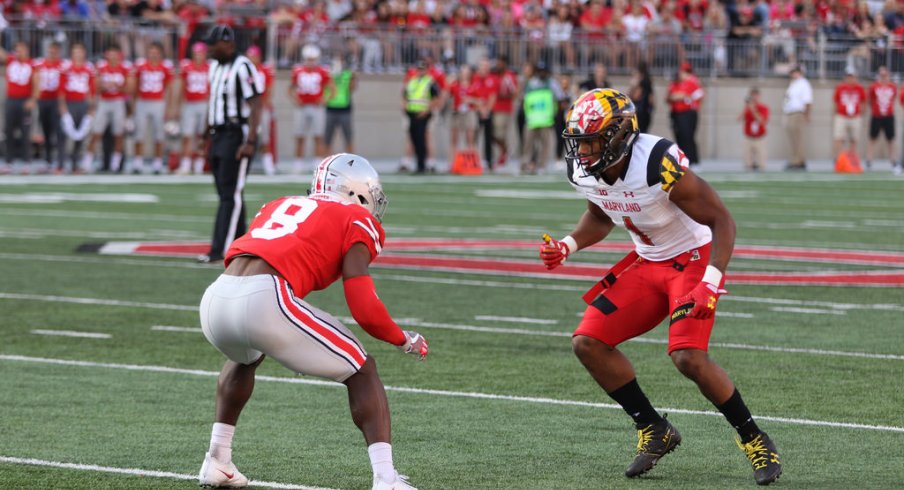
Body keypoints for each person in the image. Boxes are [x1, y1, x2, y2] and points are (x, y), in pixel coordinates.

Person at [539, 88, 782, 486]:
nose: (581, 151)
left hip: (691, 259)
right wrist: (568, 244)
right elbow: (601, 213)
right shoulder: (586, 169)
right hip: (648, 261)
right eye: (578, 142)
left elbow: (722, 220)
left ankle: (754, 438)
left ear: (619, 135)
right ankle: (654, 427)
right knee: (588, 342)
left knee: (688, 357)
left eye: (590, 140)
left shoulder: (656, 162)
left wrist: (711, 281)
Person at [197, 153, 427, 490]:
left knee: (245, 356)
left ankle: (218, 459)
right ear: (357, 194)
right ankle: (386, 479)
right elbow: (362, 305)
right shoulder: (355, 218)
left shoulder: (278, 204)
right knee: (362, 369)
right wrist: (402, 338)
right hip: (265, 297)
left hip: (216, 298)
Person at [197, 25, 264, 264]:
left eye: (214, 44)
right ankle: (242, 245)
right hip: (218, 134)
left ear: (228, 43)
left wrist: (251, 141)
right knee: (228, 193)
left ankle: (220, 250)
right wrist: (205, 133)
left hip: (236, 133)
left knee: (230, 195)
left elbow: (256, 103)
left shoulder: (243, 66)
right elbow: (213, 101)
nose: (210, 48)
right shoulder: (214, 67)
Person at [83, 45, 132, 173]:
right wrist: (104, 86)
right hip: (104, 101)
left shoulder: (124, 68)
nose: (113, 56)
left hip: (118, 101)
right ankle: (87, 163)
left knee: (118, 134)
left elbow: (130, 89)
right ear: (106, 54)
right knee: (96, 132)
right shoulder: (101, 67)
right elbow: (96, 88)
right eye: (110, 53)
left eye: (115, 53)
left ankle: (115, 164)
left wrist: (117, 86)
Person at [130, 41, 174, 174]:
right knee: (139, 133)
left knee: (159, 134)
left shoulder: (165, 67)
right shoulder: (141, 66)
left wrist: (168, 106)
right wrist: (133, 103)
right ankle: (137, 162)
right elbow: (135, 86)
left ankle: (158, 163)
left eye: (156, 52)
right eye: (151, 52)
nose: (153, 55)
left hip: (158, 102)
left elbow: (169, 88)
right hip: (142, 102)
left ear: (160, 54)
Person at [290, 44, 334, 174]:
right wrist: (295, 99)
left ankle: (318, 164)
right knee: (299, 135)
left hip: (316, 107)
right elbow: (290, 89)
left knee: (318, 136)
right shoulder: (298, 71)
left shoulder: (322, 71)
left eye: (312, 59)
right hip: (302, 107)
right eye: (308, 59)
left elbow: (332, 89)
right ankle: (298, 164)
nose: (310, 62)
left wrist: (324, 99)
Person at [521, 61, 566, 174]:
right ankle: (526, 163)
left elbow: (560, 98)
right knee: (528, 144)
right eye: (540, 71)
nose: (542, 73)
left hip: (546, 119)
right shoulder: (531, 83)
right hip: (532, 119)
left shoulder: (552, 84)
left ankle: (542, 164)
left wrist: (555, 114)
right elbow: (526, 100)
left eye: (544, 71)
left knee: (545, 145)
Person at [58, 42, 96, 174]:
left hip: (82, 103)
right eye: (75, 51)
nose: (78, 54)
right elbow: (61, 89)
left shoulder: (89, 68)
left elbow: (91, 89)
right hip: (69, 102)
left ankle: (75, 164)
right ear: (72, 53)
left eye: (80, 51)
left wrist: (91, 107)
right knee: (63, 134)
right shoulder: (66, 67)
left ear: (84, 53)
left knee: (80, 136)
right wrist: (62, 106)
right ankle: (61, 164)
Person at [1, 42, 36, 174]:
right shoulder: (11, 61)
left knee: (25, 132)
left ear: (27, 50)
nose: (19, 52)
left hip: (24, 101)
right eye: (17, 50)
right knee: (8, 131)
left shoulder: (32, 64)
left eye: (21, 50)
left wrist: (33, 99)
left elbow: (36, 82)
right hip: (11, 101)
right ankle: (9, 161)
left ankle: (26, 162)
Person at [176, 42, 210, 175]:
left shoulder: (210, 67)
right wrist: (178, 105)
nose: (198, 56)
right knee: (187, 135)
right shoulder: (187, 66)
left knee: (202, 136)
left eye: (200, 53)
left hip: (204, 103)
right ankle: (185, 164)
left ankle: (199, 165)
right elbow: (182, 86)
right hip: (189, 103)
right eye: (196, 53)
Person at [402, 59, 441, 174]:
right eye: (418, 69)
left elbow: (436, 98)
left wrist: (427, 110)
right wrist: (405, 107)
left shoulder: (430, 82)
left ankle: (422, 164)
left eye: (422, 69)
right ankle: (418, 164)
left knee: (421, 139)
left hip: (423, 115)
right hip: (412, 113)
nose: (420, 71)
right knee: (414, 138)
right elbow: (405, 95)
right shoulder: (412, 81)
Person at [33, 41, 66, 172]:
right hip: (43, 100)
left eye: (55, 51)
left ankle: (60, 163)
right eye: (51, 50)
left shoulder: (63, 65)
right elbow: (35, 81)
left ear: (58, 52)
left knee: (59, 133)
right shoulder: (40, 64)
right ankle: (47, 161)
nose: (52, 53)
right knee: (46, 132)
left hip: (56, 101)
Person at [246, 45, 277, 175]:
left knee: (264, 137)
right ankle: (245, 164)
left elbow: (269, 89)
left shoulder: (264, 70)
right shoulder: (244, 70)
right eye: (249, 56)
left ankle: (268, 165)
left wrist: (264, 103)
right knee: (245, 137)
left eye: (253, 56)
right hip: (247, 108)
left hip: (261, 107)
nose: (251, 59)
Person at [666, 61, 703, 168]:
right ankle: (683, 160)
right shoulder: (675, 83)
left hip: (687, 113)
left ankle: (693, 160)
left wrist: (684, 96)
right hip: (676, 113)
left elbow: (697, 96)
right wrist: (679, 96)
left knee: (688, 136)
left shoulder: (692, 82)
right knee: (679, 137)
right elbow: (670, 96)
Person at [324, 54, 357, 154]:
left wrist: (353, 77)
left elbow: (352, 88)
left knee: (348, 137)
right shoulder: (328, 75)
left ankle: (351, 161)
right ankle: (327, 160)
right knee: (328, 137)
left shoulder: (347, 74)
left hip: (345, 109)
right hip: (330, 108)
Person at [782, 65, 811, 171]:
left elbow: (807, 101)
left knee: (798, 138)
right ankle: (796, 159)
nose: (793, 74)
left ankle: (798, 161)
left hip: (797, 113)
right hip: (790, 113)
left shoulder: (803, 83)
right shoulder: (793, 84)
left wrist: (807, 115)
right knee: (793, 139)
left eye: (795, 72)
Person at [490, 55, 518, 167]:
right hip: (493, 107)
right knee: (492, 133)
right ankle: (504, 150)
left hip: (503, 109)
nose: (498, 65)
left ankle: (505, 150)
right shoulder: (494, 75)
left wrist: (504, 96)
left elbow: (514, 92)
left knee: (498, 133)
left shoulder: (508, 76)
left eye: (500, 63)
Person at [832, 68, 866, 161]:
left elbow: (863, 101)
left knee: (854, 138)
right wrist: (836, 113)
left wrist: (860, 113)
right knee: (838, 137)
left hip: (855, 117)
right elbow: (835, 101)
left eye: (852, 77)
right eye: (849, 77)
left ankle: (851, 158)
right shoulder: (840, 87)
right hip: (842, 115)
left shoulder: (859, 88)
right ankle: (839, 158)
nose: (850, 79)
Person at [867, 65, 895, 171]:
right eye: (881, 75)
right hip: (877, 115)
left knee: (890, 139)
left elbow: (893, 99)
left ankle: (893, 160)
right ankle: (869, 159)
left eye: (885, 75)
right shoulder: (874, 86)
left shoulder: (892, 87)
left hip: (888, 115)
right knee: (872, 138)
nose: (883, 77)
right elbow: (870, 100)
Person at [739, 87, 769, 171]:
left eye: (756, 96)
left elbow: (762, 121)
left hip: (760, 137)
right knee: (748, 163)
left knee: (761, 164)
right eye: (752, 96)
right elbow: (738, 119)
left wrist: (753, 110)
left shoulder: (763, 108)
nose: (754, 98)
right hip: (749, 137)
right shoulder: (747, 108)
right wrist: (746, 108)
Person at [629, 62, 654, 133]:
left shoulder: (641, 82)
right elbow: (651, 98)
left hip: (640, 110)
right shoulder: (648, 80)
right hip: (645, 110)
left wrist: (633, 85)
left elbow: (635, 96)